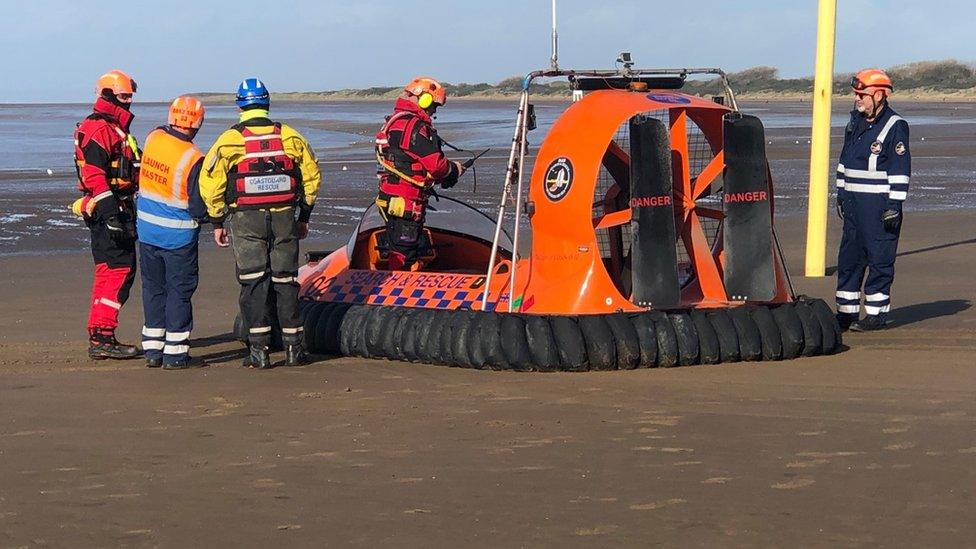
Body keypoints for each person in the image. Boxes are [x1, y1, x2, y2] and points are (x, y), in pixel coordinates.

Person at [199, 78, 321, 369]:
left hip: (246, 221)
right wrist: (304, 216)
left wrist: (216, 220)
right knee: (286, 282)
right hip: (284, 218)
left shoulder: (229, 140)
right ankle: (294, 349)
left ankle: (259, 352)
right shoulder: (291, 136)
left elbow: (211, 183)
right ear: (266, 102)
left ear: (240, 104)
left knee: (253, 283)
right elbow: (312, 176)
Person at [835, 69, 911, 332]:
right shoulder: (854, 122)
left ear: (879, 95)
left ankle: (876, 315)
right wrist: (841, 193)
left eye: (862, 95)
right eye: (856, 94)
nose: (857, 99)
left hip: (879, 207)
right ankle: (845, 313)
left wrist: (894, 206)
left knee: (879, 258)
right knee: (849, 259)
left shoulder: (895, 126)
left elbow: (900, 170)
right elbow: (845, 161)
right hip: (854, 205)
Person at [73, 70, 142, 359]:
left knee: (109, 272)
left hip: (115, 208)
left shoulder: (114, 127)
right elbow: (95, 176)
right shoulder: (100, 129)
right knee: (118, 272)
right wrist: (112, 216)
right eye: (123, 96)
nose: (128, 101)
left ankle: (100, 332)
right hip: (110, 212)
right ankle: (102, 336)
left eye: (130, 96)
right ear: (107, 95)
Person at [136, 96, 208, 370]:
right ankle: (175, 354)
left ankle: (153, 349)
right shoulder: (193, 157)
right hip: (178, 236)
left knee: (153, 288)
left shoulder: (153, 138)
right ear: (198, 123)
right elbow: (198, 205)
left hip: (147, 231)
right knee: (179, 292)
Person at [374, 77, 467, 270]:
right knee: (404, 255)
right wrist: (454, 170)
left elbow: (408, 161)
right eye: (433, 106)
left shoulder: (394, 122)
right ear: (423, 99)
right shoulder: (414, 128)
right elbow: (437, 166)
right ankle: (399, 292)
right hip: (406, 201)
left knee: (397, 248)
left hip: (390, 197)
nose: (433, 111)